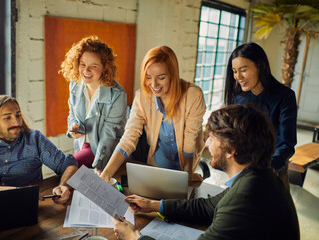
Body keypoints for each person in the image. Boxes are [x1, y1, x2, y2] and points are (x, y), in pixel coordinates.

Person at [112, 104, 300, 240]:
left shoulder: (246, 197)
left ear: (231, 149)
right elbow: (207, 207)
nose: (207, 144)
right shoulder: (257, 176)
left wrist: (133, 237)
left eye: (211, 138)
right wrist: (153, 205)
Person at [100, 46, 206, 182]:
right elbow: (129, 137)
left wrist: (187, 176)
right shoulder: (141, 97)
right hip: (157, 164)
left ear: (173, 75)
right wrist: (106, 174)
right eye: (148, 77)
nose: (153, 84)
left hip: (186, 162)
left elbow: (190, 139)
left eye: (161, 78)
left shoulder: (193, 95)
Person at [0, 95, 78, 204]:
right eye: (7, 118)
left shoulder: (34, 138)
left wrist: (64, 186)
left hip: (30, 207)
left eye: (18, 115)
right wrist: (18, 192)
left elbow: (68, 165)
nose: (16, 122)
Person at [224, 42, 297, 188]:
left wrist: (267, 167)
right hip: (241, 170)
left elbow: (286, 143)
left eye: (243, 69)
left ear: (261, 66)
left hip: (272, 170)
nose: (238, 76)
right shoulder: (238, 97)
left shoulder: (285, 96)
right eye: (234, 71)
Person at [59, 36, 127, 171]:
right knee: (66, 170)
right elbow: (72, 114)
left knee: (66, 168)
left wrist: (100, 166)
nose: (86, 71)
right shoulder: (75, 84)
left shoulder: (118, 95)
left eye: (93, 66)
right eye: (82, 64)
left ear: (105, 68)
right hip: (82, 146)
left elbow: (109, 137)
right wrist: (73, 127)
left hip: (104, 152)